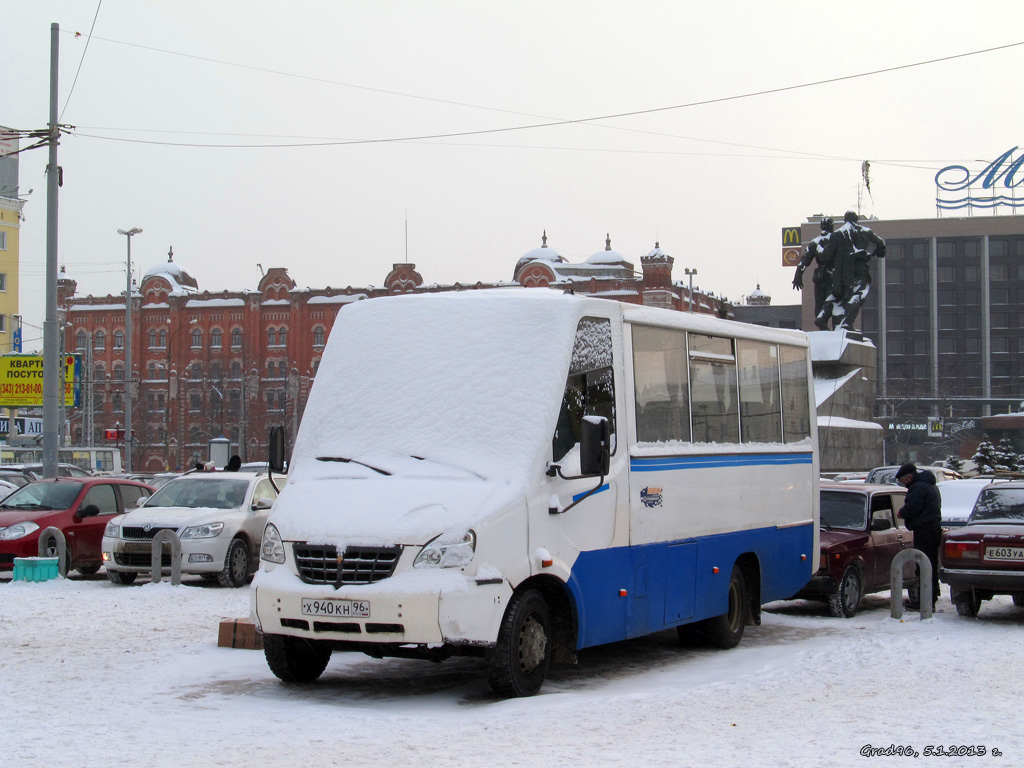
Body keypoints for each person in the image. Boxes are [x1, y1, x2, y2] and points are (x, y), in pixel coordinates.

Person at [828, 211, 886, 331]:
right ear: (856, 219)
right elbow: (880, 243)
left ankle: (842, 323)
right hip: (859, 268)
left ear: (845, 220)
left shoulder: (837, 234)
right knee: (859, 293)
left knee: (845, 296)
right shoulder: (865, 231)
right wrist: (874, 253)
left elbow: (828, 255)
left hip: (844, 271)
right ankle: (847, 322)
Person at [896, 462, 942, 610]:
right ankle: (931, 598)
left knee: (922, 566)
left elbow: (912, 507)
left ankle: (925, 602)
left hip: (924, 531)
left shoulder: (918, 488)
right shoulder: (929, 485)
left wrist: (901, 513)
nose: (904, 485)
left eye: (903, 481)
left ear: (909, 477)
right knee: (930, 565)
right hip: (933, 529)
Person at [792, 217, 838, 330]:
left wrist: (798, 276)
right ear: (832, 227)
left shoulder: (814, 242)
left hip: (820, 277)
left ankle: (824, 327)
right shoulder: (836, 241)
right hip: (833, 277)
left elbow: (803, 261)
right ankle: (829, 328)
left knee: (821, 305)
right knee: (833, 303)